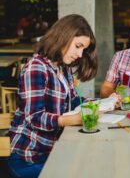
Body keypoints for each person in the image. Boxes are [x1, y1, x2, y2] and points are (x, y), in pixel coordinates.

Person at [7, 14, 98, 178]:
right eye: (78, 46)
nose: (79, 54)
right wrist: (69, 120)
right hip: (28, 158)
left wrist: (102, 103)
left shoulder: (63, 67)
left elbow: (71, 102)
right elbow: (34, 117)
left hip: (50, 151)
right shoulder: (36, 68)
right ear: (63, 37)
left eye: (83, 49)